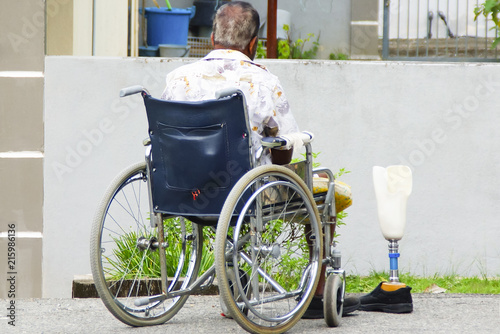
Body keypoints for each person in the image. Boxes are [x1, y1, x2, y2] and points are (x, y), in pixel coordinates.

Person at [161, 1, 360, 319]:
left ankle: (232, 279)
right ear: (253, 44)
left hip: (185, 192)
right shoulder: (263, 83)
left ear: (213, 38)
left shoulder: (178, 79)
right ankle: (318, 292)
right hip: (245, 195)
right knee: (325, 191)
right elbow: (284, 150)